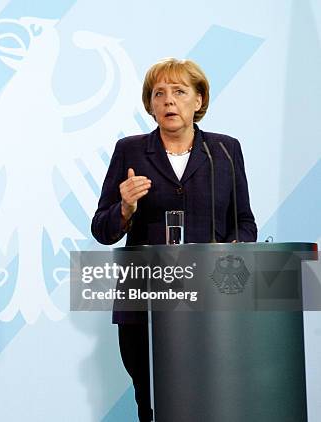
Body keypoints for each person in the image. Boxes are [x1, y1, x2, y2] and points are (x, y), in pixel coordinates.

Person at [91, 58, 257, 421]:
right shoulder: (130, 151)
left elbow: (244, 223)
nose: (168, 101)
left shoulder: (225, 151)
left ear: (199, 101)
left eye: (179, 92)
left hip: (212, 299)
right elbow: (102, 229)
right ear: (150, 105)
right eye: (159, 93)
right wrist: (126, 206)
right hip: (147, 299)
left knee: (211, 400)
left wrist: (230, 251)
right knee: (153, 401)